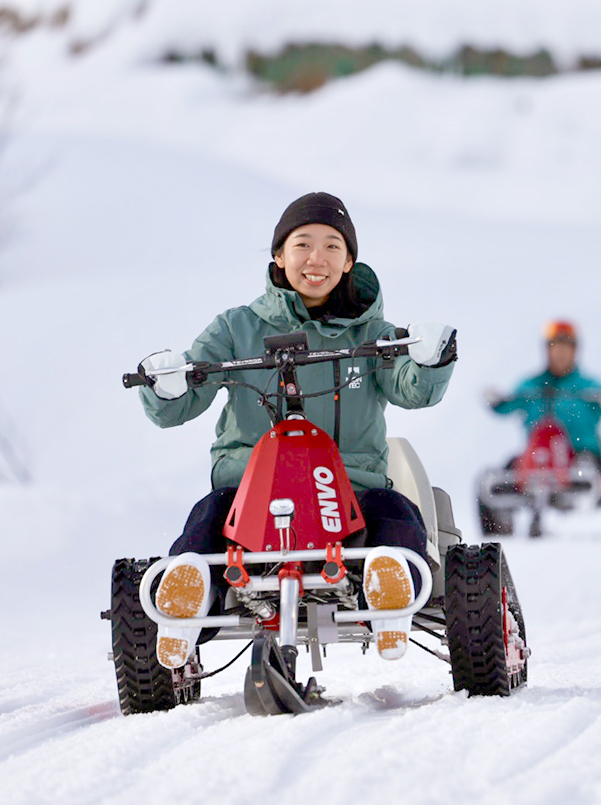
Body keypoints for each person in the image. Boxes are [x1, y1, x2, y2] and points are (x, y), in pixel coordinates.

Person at [136, 192, 457, 668]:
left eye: (332, 247)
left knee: (395, 513)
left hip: (351, 488)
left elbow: (413, 389)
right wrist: (165, 385)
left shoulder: (377, 335)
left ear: (349, 261)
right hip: (249, 490)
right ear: (279, 255)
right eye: (302, 244)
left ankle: (390, 591)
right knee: (207, 520)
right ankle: (187, 596)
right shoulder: (235, 328)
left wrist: (431, 360)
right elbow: (181, 402)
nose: (316, 259)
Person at [482, 319, 601, 531]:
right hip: (537, 457)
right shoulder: (531, 385)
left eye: (566, 348)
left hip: (581, 453)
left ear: (575, 351)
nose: (560, 353)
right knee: (497, 476)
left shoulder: (586, 384)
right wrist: (495, 400)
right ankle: (495, 530)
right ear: (547, 351)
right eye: (555, 347)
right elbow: (506, 405)